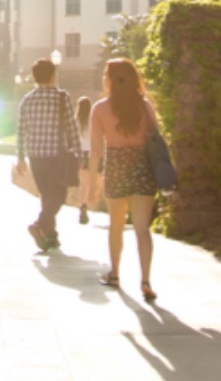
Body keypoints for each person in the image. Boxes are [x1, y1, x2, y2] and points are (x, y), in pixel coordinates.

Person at [88, 57, 159, 300]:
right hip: (141, 166)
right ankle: (146, 280)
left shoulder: (100, 109)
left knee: (116, 227)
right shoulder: (144, 106)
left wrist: (91, 186)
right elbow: (156, 137)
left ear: (109, 80)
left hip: (116, 167)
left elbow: (96, 150)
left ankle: (115, 274)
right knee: (142, 229)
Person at [14, 57, 78, 253]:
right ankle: (39, 225)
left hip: (36, 157)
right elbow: (70, 126)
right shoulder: (61, 97)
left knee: (47, 195)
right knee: (58, 195)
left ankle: (50, 236)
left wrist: (21, 158)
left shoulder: (27, 100)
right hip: (56, 155)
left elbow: (21, 130)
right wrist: (77, 150)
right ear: (52, 76)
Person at [74, 95, 94, 225]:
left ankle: (82, 205)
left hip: (79, 153)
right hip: (90, 153)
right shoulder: (92, 120)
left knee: (83, 184)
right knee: (90, 184)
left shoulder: (75, 121)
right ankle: (84, 204)